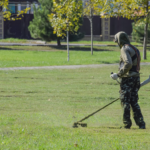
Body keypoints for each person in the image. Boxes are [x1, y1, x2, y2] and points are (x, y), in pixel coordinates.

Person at [110, 31, 146, 129]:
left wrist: (118, 74)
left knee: (125, 101)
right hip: (136, 78)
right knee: (134, 101)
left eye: (116, 40)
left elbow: (128, 63)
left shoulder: (124, 49)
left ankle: (127, 124)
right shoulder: (134, 48)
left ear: (119, 40)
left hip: (128, 79)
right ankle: (141, 124)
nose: (115, 42)